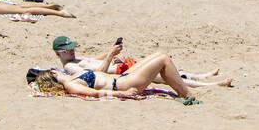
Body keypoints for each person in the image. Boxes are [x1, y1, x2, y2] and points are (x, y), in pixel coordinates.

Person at [50, 36, 230, 89]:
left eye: (72, 47)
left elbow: (95, 60)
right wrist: (110, 56)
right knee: (163, 77)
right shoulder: (70, 66)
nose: (72, 50)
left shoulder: (75, 58)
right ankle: (211, 85)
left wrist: (111, 51)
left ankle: (202, 76)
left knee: (166, 68)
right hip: (120, 76)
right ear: (59, 53)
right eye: (68, 49)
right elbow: (99, 73)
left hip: (122, 68)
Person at [31, 52, 207, 98]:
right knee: (163, 60)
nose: (55, 69)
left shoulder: (72, 79)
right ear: (53, 76)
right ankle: (188, 95)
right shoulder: (70, 85)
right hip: (123, 84)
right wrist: (122, 94)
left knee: (158, 55)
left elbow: (97, 77)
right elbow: (94, 93)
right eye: (53, 71)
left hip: (122, 78)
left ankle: (185, 88)